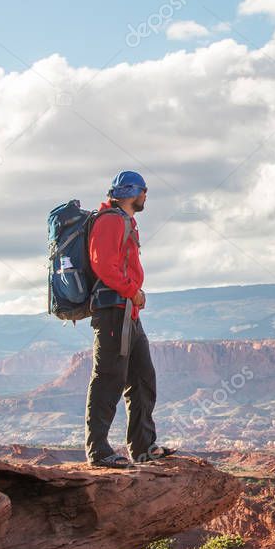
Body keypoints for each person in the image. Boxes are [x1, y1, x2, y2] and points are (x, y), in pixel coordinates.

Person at [84, 170, 175, 468]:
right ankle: (98, 450)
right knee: (109, 377)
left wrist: (133, 296)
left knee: (142, 378)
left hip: (128, 313)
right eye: (144, 190)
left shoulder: (125, 221)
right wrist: (132, 291)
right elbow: (103, 265)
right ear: (131, 191)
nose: (146, 196)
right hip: (113, 312)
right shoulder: (110, 220)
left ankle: (143, 447)